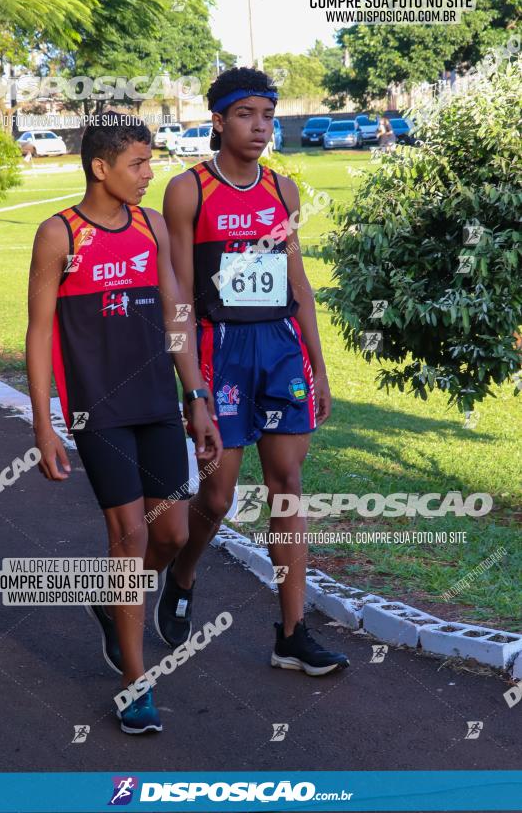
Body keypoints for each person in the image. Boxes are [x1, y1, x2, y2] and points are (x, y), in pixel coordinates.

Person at [26, 111, 222, 735]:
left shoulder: (152, 226)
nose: (148, 173)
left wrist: (196, 394)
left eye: (151, 160)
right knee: (131, 536)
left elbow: (175, 312)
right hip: (97, 411)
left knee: (170, 535)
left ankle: (117, 606)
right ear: (99, 167)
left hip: (157, 403)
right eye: (138, 163)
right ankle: (135, 684)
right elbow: (37, 333)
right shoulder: (59, 234)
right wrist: (44, 423)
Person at [156, 67, 350, 676]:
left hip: (280, 346)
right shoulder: (189, 191)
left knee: (287, 485)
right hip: (221, 349)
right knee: (216, 494)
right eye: (246, 114)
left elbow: (300, 285)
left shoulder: (283, 191)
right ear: (218, 121)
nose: (260, 126)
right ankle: (184, 573)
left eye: (267, 114)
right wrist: (193, 388)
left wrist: (318, 367)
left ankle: (292, 633)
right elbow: (181, 297)